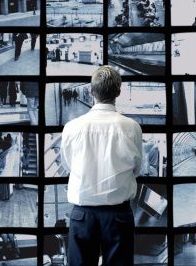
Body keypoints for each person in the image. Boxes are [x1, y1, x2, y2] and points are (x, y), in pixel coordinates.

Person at [61, 66, 143, 266]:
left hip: (82, 214)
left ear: (91, 92)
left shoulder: (72, 127)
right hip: (118, 215)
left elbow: (68, 164)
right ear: (118, 92)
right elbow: (137, 168)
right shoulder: (131, 127)